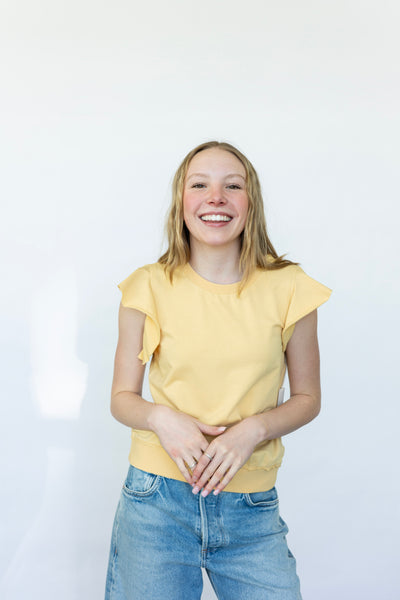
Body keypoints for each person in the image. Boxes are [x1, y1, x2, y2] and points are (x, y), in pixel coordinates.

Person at [104, 140, 332, 600]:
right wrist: (160, 418)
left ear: (251, 203)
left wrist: (251, 431)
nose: (216, 197)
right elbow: (121, 399)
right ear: (181, 202)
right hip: (156, 502)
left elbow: (308, 398)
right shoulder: (147, 285)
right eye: (200, 185)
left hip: (251, 507)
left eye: (233, 185)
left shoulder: (290, 288)